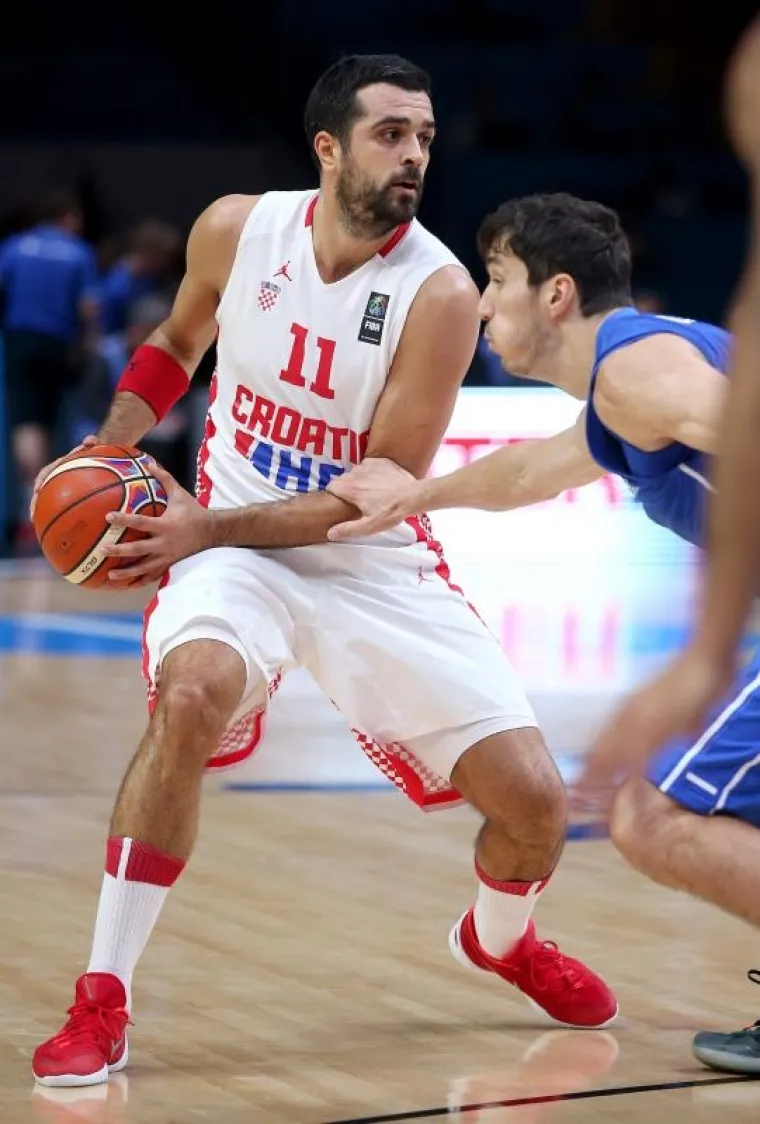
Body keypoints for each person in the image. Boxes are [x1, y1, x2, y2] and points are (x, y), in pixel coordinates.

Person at [30, 54, 616, 1089]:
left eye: (426, 138)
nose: (415, 155)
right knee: (194, 689)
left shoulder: (437, 292)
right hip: (231, 550)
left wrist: (204, 525)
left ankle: (501, 938)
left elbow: (369, 494)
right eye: (392, 133)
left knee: (532, 806)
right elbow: (174, 340)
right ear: (329, 146)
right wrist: (107, 450)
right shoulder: (234, 228)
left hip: (362, 552)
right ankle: (100, 997)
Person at [325, 187, 760, 1063]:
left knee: (655, 815)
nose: (483, 302)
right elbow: (529, 474)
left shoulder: (637, 369)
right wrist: (417, 495)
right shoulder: (624, 391)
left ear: (555, 294)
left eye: (497, 278)